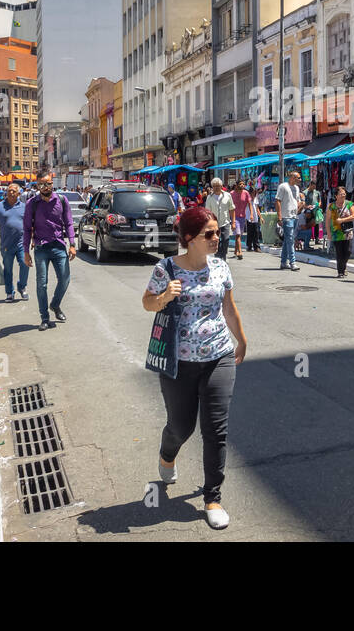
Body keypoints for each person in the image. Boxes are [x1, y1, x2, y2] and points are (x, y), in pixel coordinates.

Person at [142, 206, 247, 530]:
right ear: (190, 238)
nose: (217, 238)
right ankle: (167, 454)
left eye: (218, 232)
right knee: (181, 426)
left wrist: (240, 340)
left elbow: (228, 308)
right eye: (210, 234)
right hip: (179, 362)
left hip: (219, 356)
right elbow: (147, 301)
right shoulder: (167, 269)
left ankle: (212, 497)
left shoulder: (220, 268)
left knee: (215, 430)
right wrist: (163, 298)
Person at [23, 172, 76, 331]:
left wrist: (72, 244)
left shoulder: (62, 200)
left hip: (59, 246)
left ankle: (55, 304)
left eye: (48, 184)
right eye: (41, 184)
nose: (45, 187)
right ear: (37, 186)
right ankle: (44, 318)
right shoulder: (32, 203)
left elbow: (69, 223)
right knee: (42, 284)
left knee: (65, 279)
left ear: (52, 184)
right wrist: (26, 251)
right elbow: (26, 229)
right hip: (41, 248)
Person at [0, 183, 29, 302]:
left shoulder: (24, 207)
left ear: (19, 193)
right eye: (9, 191)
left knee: (25, 264)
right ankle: (9, 292)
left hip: (21, 243)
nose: (11, 193)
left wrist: (32, 239)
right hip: (6, 244)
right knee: (8, 269)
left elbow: (29, 225)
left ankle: (22, 287)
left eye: (13, 191)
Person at [327, 186, 354, 277]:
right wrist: (328, 233)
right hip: (336, 232)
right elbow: (328, 220)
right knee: (339, 252)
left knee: (348, 251)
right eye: (341, 194)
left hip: (347, 231)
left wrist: (343, 220)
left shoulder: (349, 204)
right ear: (336, 196)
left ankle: (343, 267)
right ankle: (341, 271)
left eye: (344, 194)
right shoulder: (331, 206)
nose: (343, 196)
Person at [205, 178, 235, 262]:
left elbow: (232, 209)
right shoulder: (209, 197)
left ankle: (223, 255)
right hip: (214, 223)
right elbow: (207, 212)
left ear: (221, 186)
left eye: (218, 186)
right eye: (214, 186)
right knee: (216, 241)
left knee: (225, 239)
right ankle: (218, 257)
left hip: (225, 222)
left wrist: (233, 222)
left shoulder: (227, 195)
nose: (216, 188)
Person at [276, 170, 301, 271]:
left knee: (287, 239)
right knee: (290, 240)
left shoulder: (297, 188)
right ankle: (293, 262)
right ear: (292, 177)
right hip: (286, 217)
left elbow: (296, 201)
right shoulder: (283, 186)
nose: (300, 179)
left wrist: (301, 206)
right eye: (298, 178)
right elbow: (278, 201)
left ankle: (283, 262)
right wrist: (279, 217)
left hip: (294, 216)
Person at [230, 180, 252, 260]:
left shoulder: (246, 193)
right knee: (238, 234)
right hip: (234, 217)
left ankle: (235, 251)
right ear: (236, 185)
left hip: (242, 217)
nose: (242, 185)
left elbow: (249, 204)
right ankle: (240, 252)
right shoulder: (231, 194)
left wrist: (251, 214)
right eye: (240, 184)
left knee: (238, 235)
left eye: (243, 184)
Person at [300, 180, 321, 249]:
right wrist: (307, 207)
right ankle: (307, 240)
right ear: (311, 184)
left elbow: (319, 201)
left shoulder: (317, 192)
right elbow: (303, 202)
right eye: (313, 186)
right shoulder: (305, 192)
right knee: (308, 224)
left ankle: (317, 238)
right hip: (308, 211)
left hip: (315, 210)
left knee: (316, 223)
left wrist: (318, 205)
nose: (314, 187)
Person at [245, 187, 263, 252]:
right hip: (248, 217)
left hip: (255, 218)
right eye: (252, 193)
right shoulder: (247, 199)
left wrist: (261, 217)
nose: (254, 195)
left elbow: (257, 208)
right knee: (250, 232)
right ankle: (249, 246)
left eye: (254, 193)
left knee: (256, 232)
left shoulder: (256, 199)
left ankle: (256, 247)